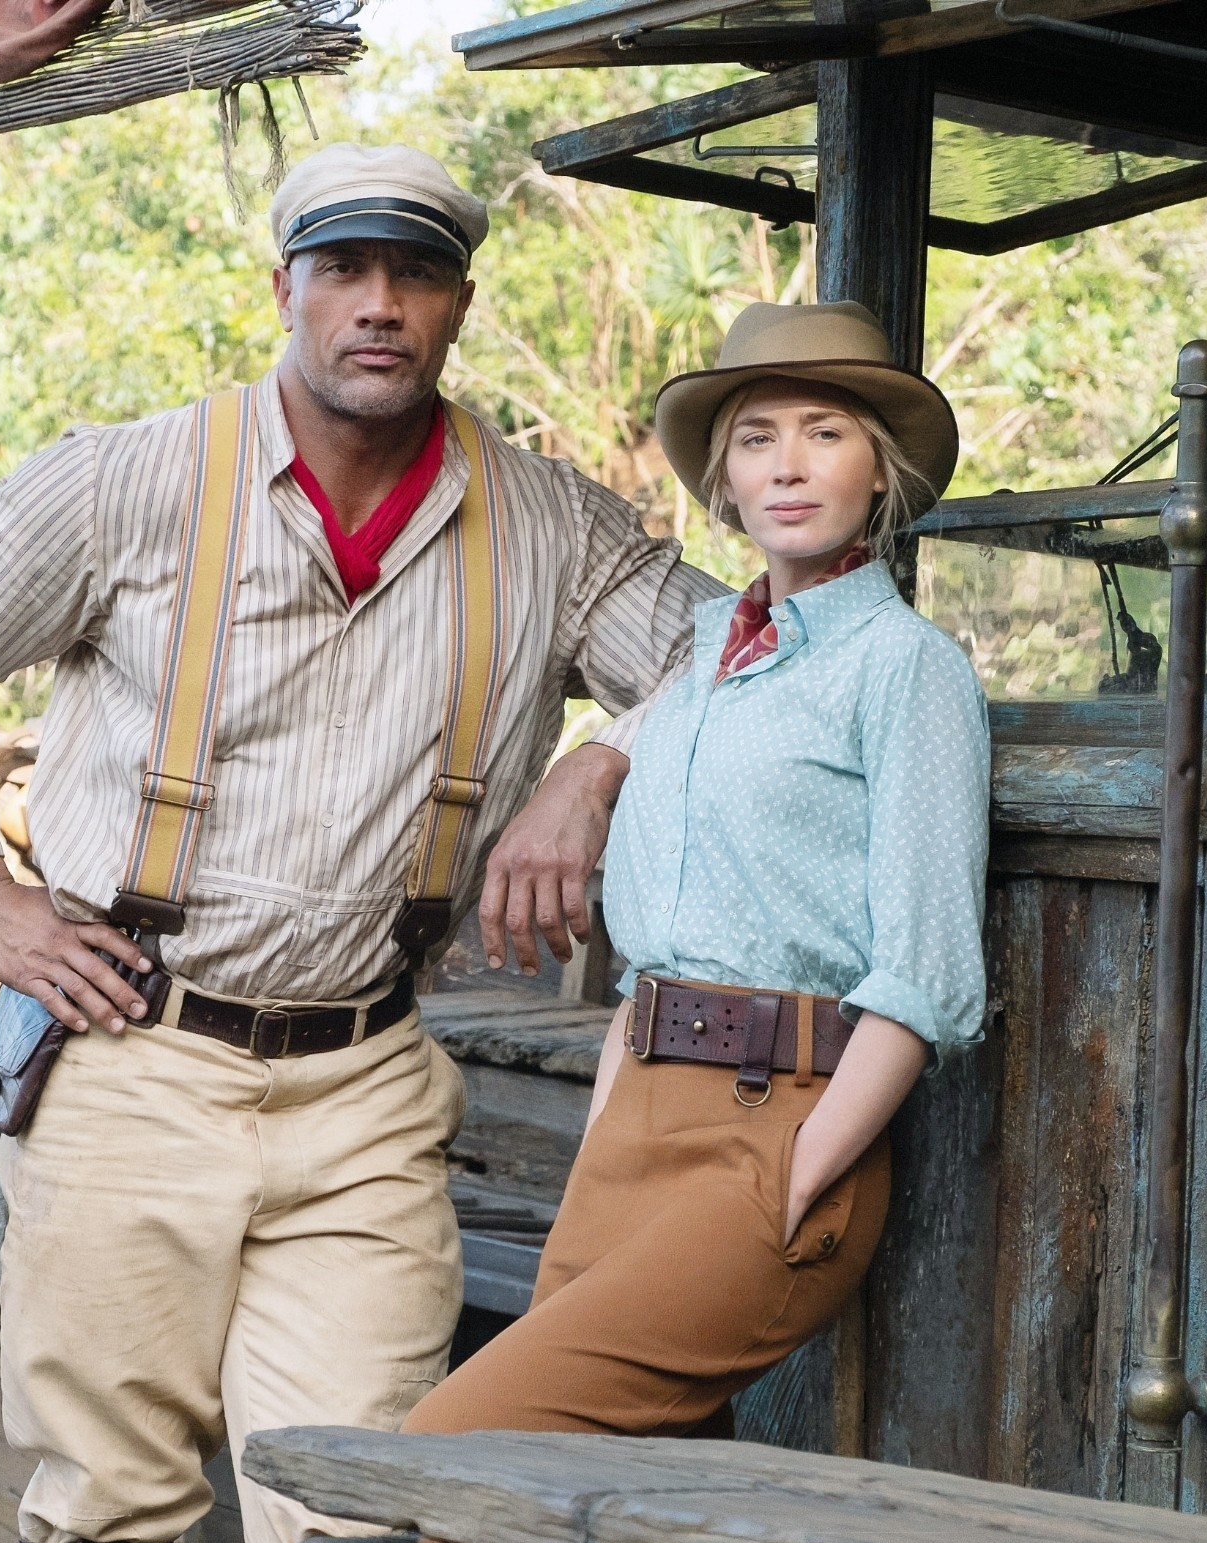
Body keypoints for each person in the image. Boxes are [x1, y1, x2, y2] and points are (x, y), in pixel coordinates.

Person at [0, 143, 721, 1543]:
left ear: (461, 304)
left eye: (417, 274)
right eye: (347, 270)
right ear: (290, 289)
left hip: (363, 1080)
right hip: (129, 1044)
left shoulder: (547, 523)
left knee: (356, 1499)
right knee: (106, 1484)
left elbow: (738, 649)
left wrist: (596, 763)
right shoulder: (141, 476)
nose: (380, 305)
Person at [409, 300, 990, 1441]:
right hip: (634, 1122)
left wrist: (802, 1169)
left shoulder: (907, 670)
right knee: (615, 1503)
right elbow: (654, 943)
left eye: (825, 433)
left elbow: (924, 973)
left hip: (781, 1128)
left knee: (457, 1451)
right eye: (757, 437)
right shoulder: (702, 661)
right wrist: (613, 1117)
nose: (788, 466)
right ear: (723, 477)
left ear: (881, 470)